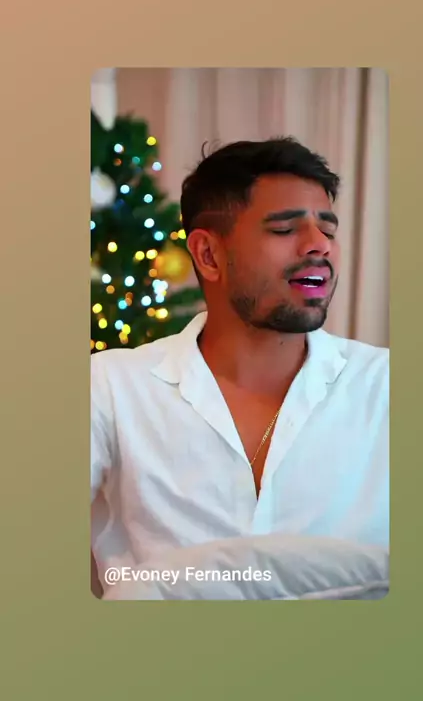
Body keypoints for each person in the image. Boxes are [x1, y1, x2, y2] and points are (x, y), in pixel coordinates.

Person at [91, 137, 389, 598]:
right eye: (285, 229)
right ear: (209, 255)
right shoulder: (110, 387)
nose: (320, 246)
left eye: (328, 230)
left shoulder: (386, 385)